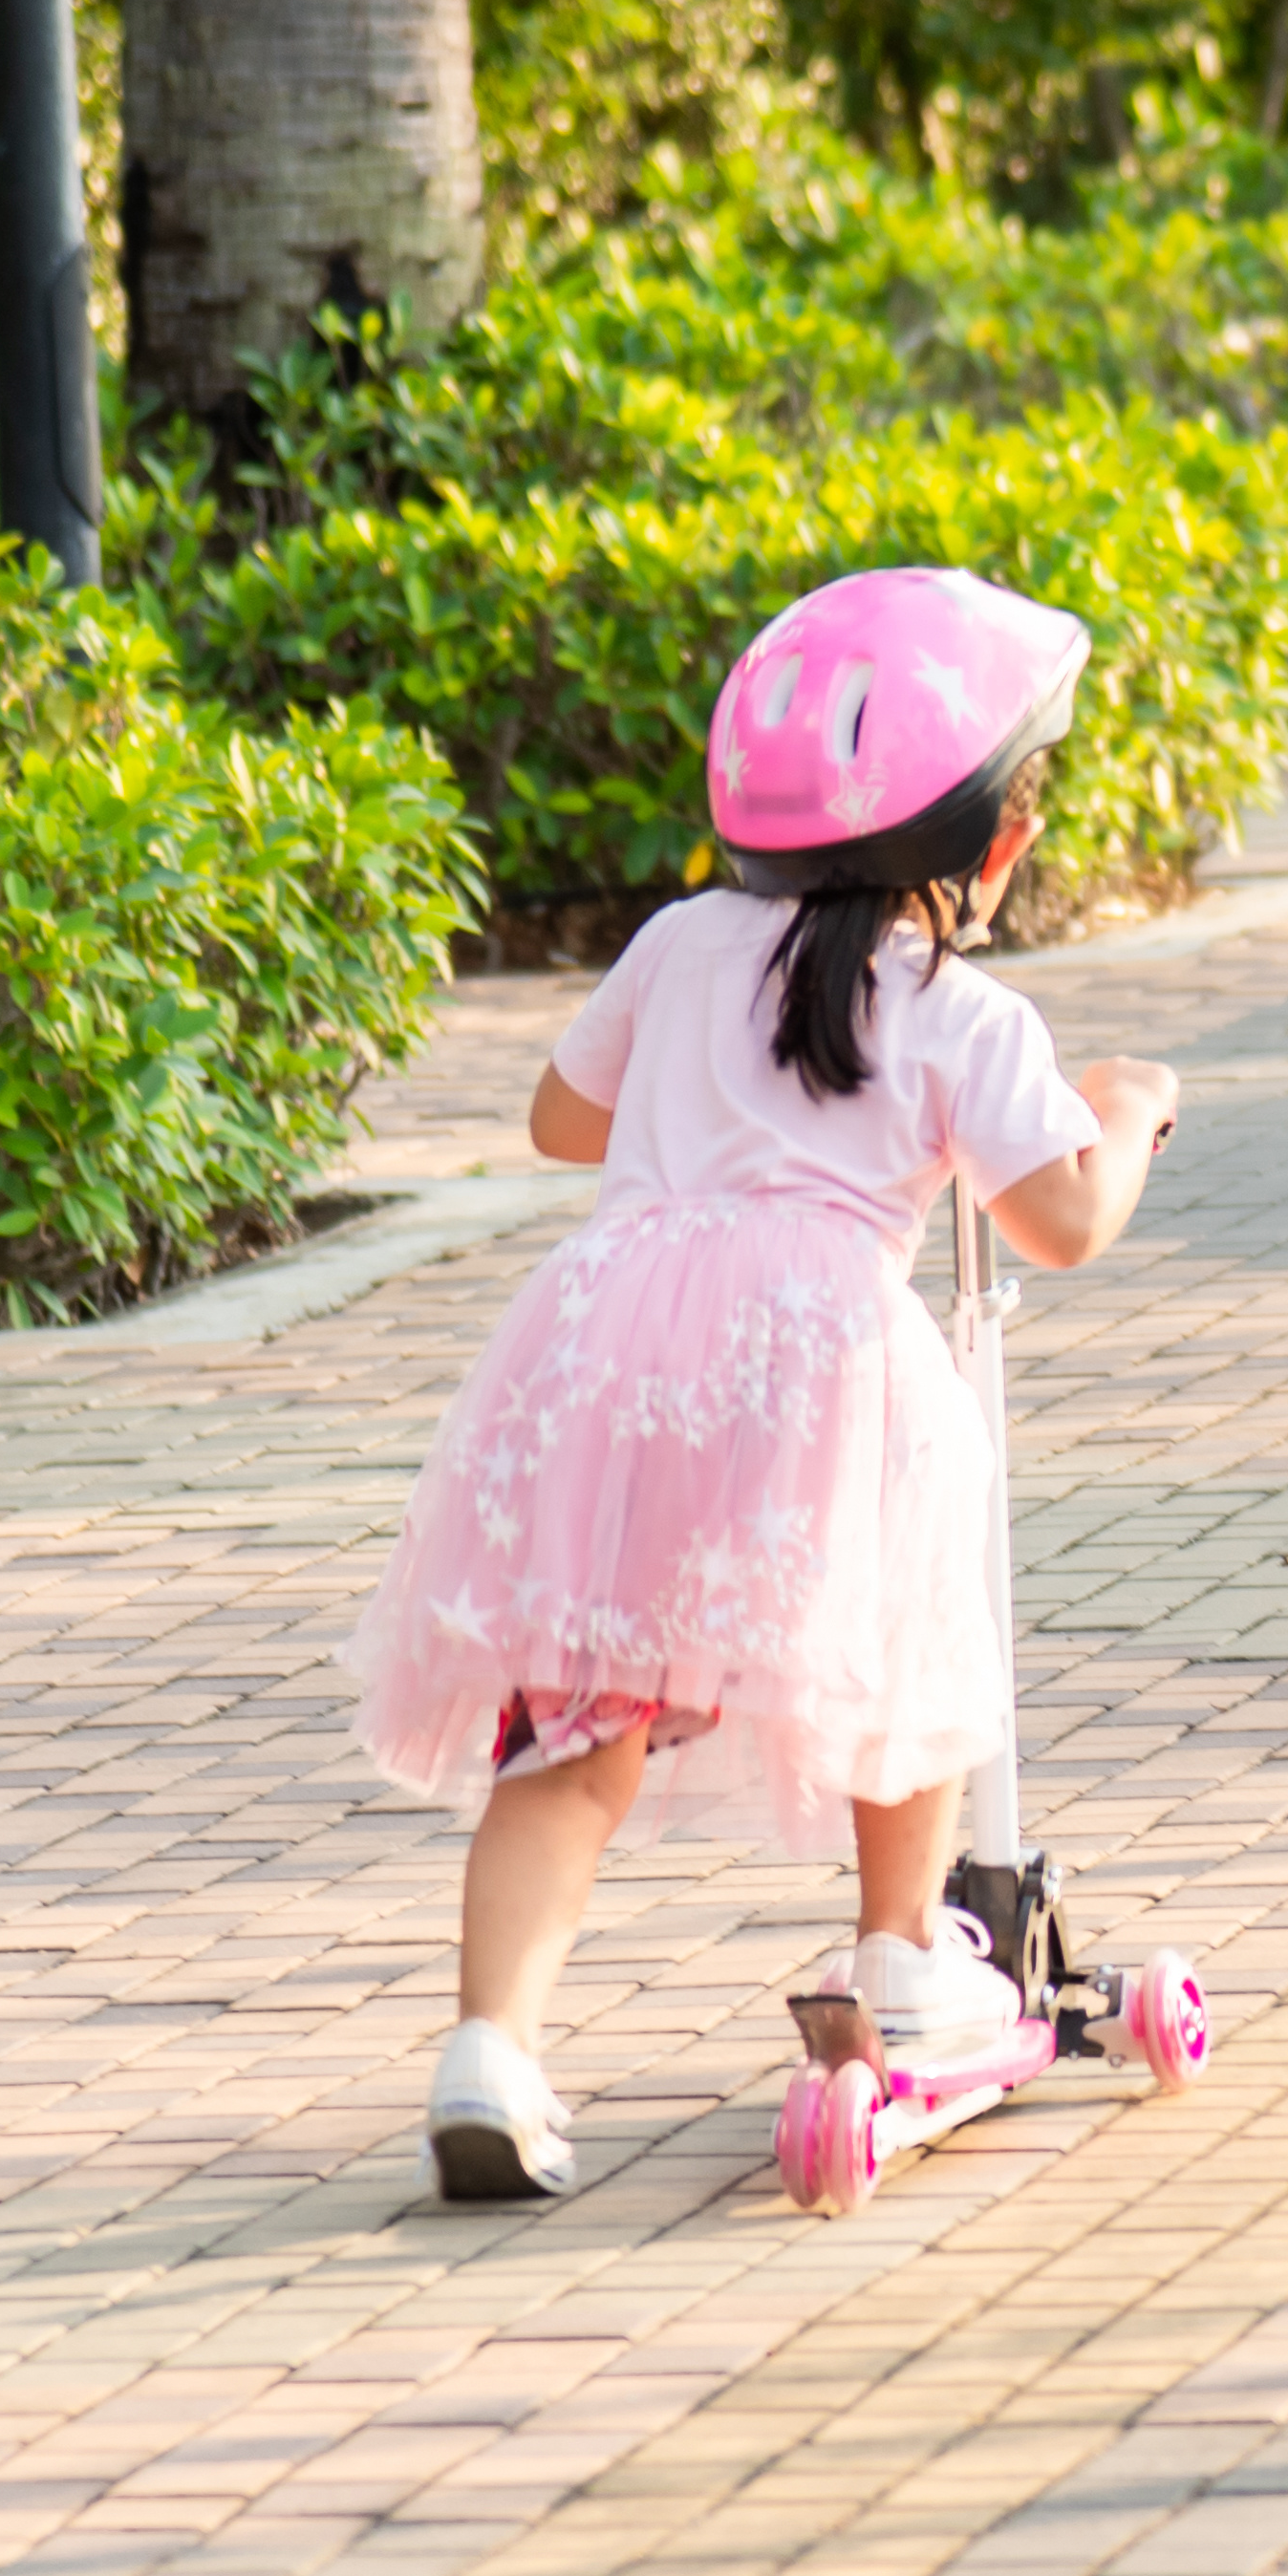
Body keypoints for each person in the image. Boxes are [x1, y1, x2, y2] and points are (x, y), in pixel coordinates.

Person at [348, 567, 1185, 2203]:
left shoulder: (677, 947)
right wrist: (1130, 1111)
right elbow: (1066, 1222)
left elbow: (559, 1123)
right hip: (816, 1367)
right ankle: (898, 1954)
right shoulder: (960, 1008)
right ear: (994, 844)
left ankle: (491, 2055)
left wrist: (698, 1119)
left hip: (614, 1350)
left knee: (575, 1729)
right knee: (909, 1638)